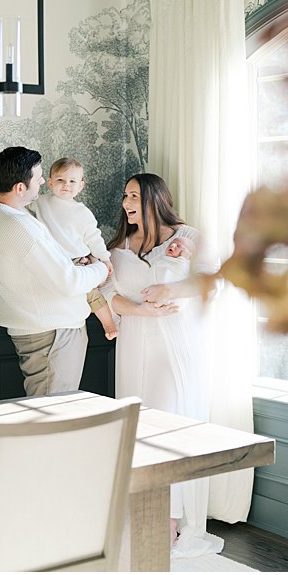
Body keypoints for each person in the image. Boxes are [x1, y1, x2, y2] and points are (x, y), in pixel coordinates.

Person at [100, 173, 220, 555]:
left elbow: (213, 282)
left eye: (133, 195)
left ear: (155, 198)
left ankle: (169, 522)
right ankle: (141, 513)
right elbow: (105, 294)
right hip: (135, 345)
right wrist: (137, 310)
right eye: (124, 196)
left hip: (177, 346)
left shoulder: (189, 237)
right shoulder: (117, 247)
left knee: (168, 428)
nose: (126, 203)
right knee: (138, 430)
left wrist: (173, 289)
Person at [0, 146, 111, 396]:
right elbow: (68, 282)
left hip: (41, 328)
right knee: (52, 415)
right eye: (38, 178)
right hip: (52, 334)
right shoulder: (19, 227)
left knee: (48, 413)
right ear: (19, 188)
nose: (42, 183)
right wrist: (100, 268)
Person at [29, 157, 118, 340]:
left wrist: (105, 258)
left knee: (92, 295)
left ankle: (108, 324)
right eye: (60, 180)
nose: (66, 185)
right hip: (52, 260)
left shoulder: (82, 212)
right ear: (50, 182)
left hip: (77, 261)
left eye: (72, 181)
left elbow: (94, 238)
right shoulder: (40, 203)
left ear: (80, 186)